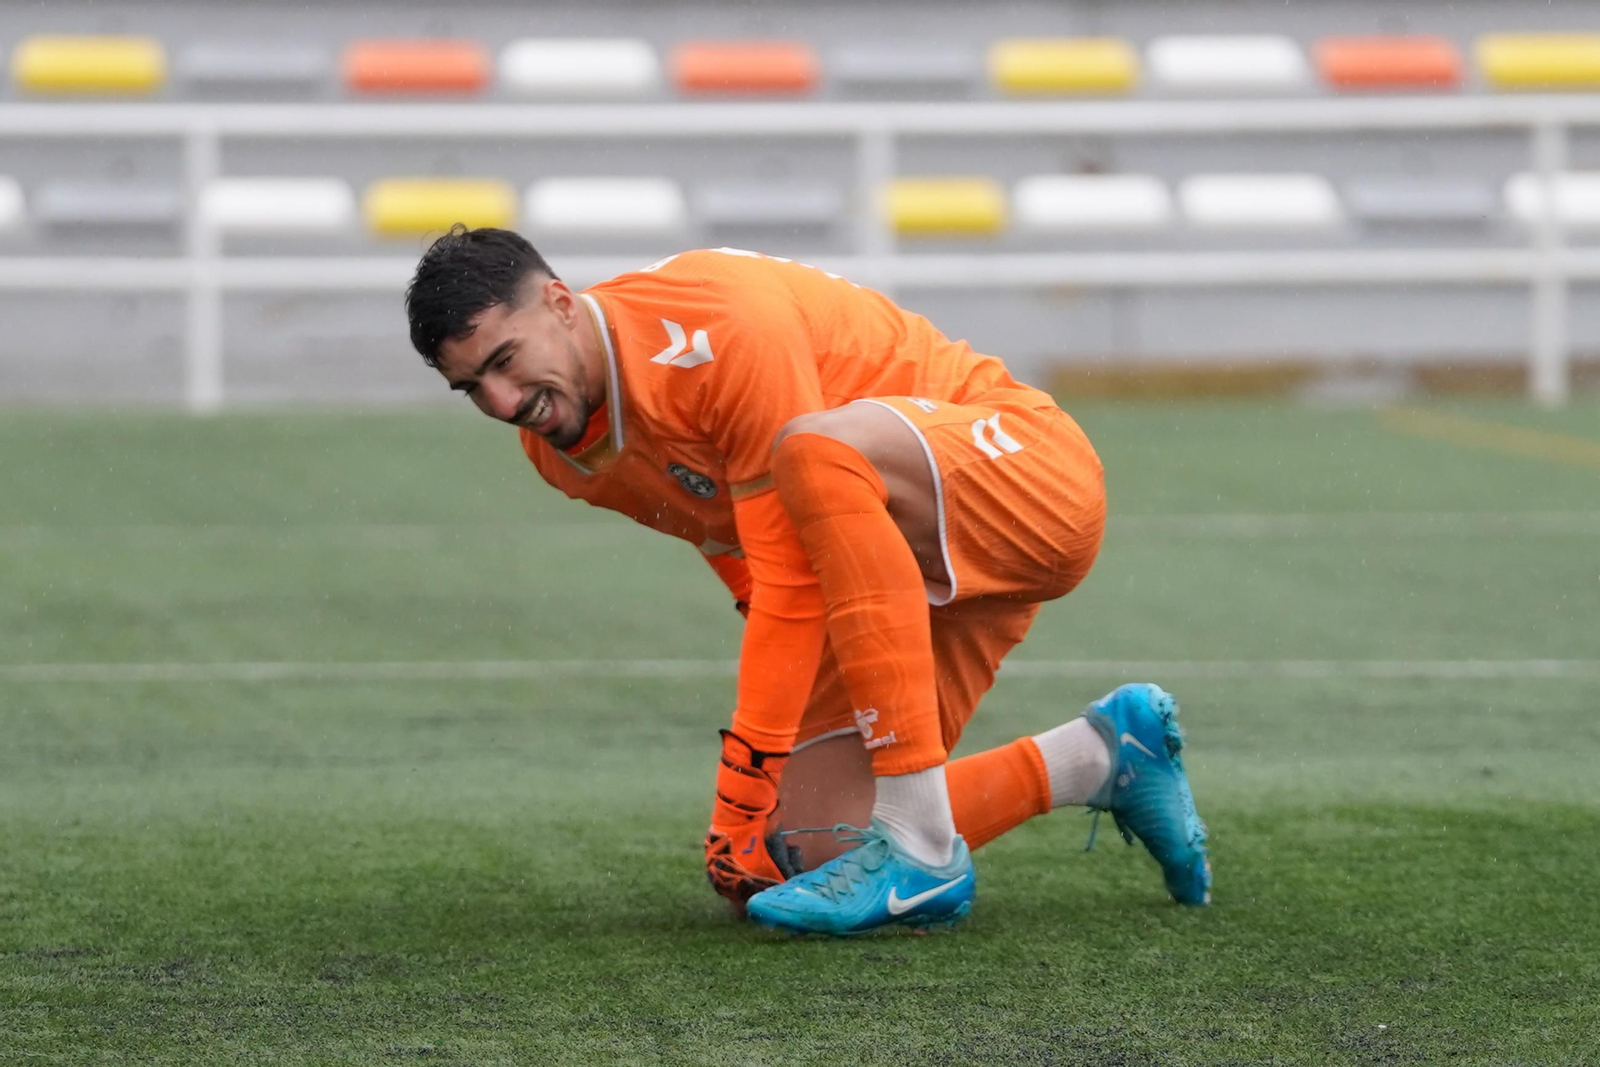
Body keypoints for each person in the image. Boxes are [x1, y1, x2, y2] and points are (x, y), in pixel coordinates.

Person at [404, 226, 1210, 935]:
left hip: (1029, 479)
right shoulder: (561, 450)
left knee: (815, 451)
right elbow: (740, 554)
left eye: (505, 361)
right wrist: (769, 810)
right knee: (807, 853)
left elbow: (790, 573)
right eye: (472, 387)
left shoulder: (716, 322)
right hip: (899, 568)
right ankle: (1104, 755)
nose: (503, 400)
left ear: (560, 302)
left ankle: (923, 847)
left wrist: (744, 785)